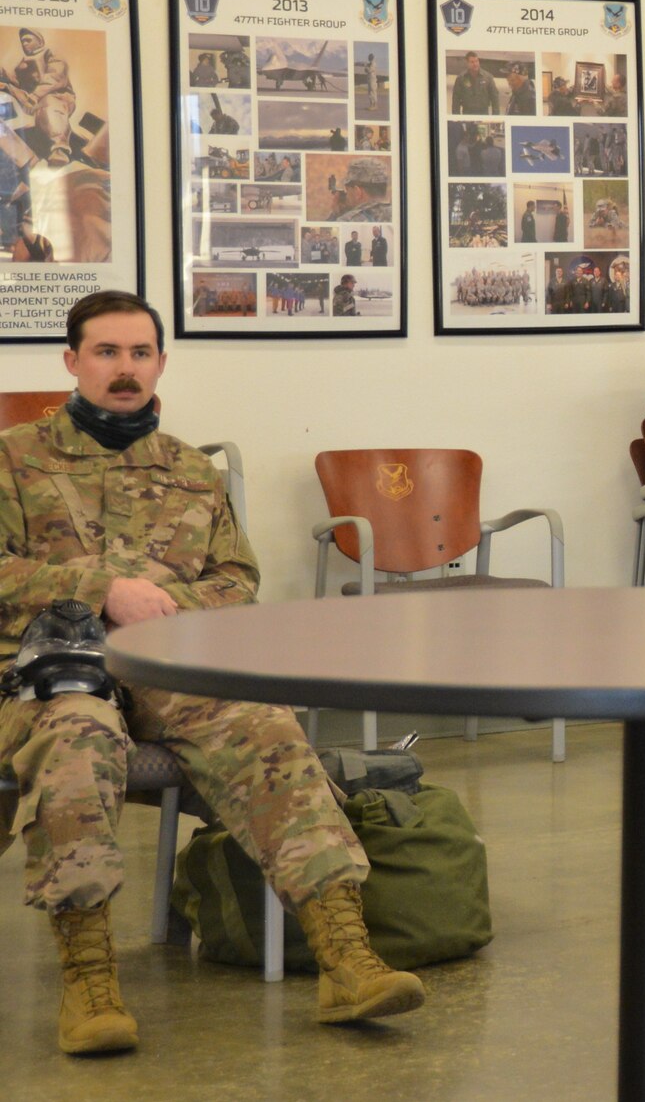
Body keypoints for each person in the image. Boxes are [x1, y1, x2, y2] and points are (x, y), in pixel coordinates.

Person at [0, 292, 424, 1057]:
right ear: (70, 361)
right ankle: (89, 980)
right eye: (105, 352)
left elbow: (237, 579)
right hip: (49, 663)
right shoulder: (13, 457)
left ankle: (345, 957)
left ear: (161, 361)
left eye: (139, 353)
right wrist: (98, 589)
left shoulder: (193, 471)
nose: (124, 370)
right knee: (77, 737)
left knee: (263, 724)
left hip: (170, 660)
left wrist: (162, 605)